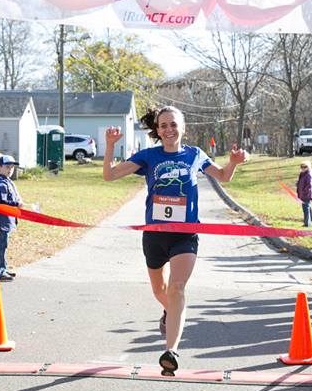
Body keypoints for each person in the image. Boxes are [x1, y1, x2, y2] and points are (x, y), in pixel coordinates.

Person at [103, 106, 248, 376]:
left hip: (185, 234)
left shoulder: (195, 155)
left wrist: (234, 163)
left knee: (177, 288)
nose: (168, 129)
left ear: (183, 128)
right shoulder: (148, 156)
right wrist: (110, 145)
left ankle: (171, 351)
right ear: (157, 131)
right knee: (161, 291)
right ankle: (172, 314)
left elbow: (224, 176)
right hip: (155, 235)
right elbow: (109, 175)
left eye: (173, 124)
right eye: (163, 126)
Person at [0, 155, 23, 282]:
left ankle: (3, 268)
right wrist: (16, 204)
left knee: (4, 245)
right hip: (1, 220)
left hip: (7, 219)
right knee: (0, 245)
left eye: (11, 167)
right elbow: (1, 201)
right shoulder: (0, 183)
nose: (10, 169)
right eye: (7, 167)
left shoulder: (9, 182)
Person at [295, 160, 312, 227]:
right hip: (302, 193)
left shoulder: (309, 174)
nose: (303, 168)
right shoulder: (302, 174)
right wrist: (297, 184)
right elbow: (301, 182)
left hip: (306, 194)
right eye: (301, 167)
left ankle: (307, 223)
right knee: (308, 206)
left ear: (308, 167)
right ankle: (311, 219)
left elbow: (309, 185)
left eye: (305, 167)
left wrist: (304, 193)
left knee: (306, 208)